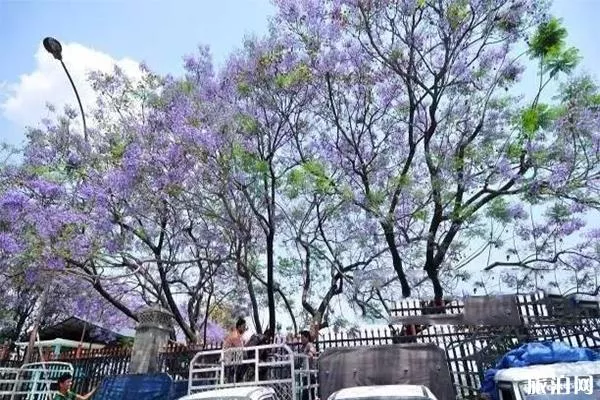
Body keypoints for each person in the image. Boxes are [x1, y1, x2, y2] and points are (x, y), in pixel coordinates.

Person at [222, 317, 247, 383]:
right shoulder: (235, 335)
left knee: (246, 357)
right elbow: (240, 348)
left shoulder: (238, 335)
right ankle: (238, 379)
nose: (245, 328)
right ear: (239, 327)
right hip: (228, 357)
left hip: (232, 356)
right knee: (246, 358)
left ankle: (238, 378)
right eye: (243, 326)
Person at [299, 330, 317, 400]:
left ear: (307, 338)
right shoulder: (303, 347)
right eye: (301, 338)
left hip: (309, 374)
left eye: (303, 337)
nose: (301, 339)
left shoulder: (309, 344)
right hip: (306, 374)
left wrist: (310, 353)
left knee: (307, 395)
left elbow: (313, 351)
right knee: (309, 395)